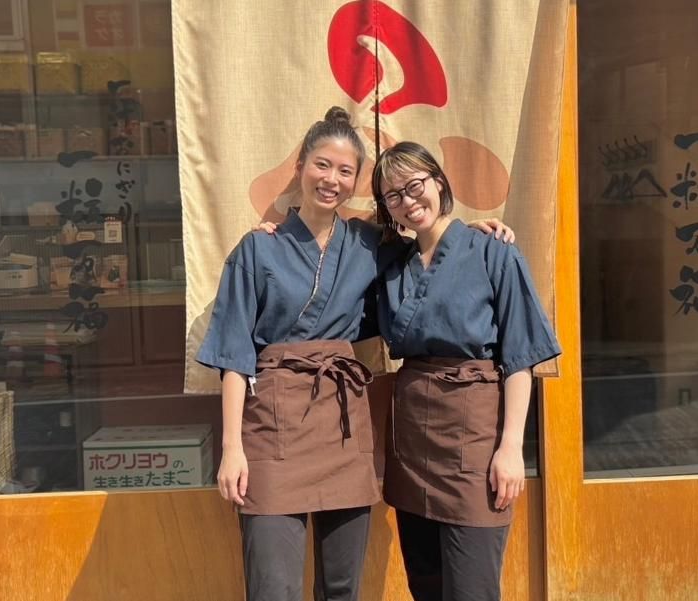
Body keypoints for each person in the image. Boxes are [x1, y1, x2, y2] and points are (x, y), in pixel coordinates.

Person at [196, 108, 512, 601]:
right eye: (322, 165)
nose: (332, 180)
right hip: (272, 428)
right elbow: (234, 356)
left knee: (342, 586)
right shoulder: (256, 250)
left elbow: (434, 251)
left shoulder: (370, 244)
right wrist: (232, 448)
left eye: (346, 171)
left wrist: (474, 231)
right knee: (272, 587)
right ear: (300, 166)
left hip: (342, 425)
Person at [372, 141, 561, 601]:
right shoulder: (392, 265)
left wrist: (510, 448)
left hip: (475, 439)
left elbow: (520, 357)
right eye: (393, 195)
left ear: (439, 182)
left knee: (471, 587)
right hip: (412, 440)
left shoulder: (494, 251)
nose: (407, 201)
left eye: (414, 185)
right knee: (426, 582)